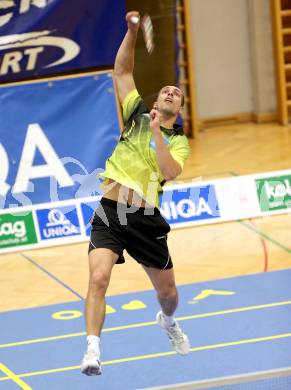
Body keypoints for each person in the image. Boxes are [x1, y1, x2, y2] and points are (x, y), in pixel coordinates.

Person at [81, 10, 191, 376]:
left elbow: (168, 171)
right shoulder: (135, 115)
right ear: (156, 101)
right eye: (166, 90)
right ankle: (92, 350)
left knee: (169, 295)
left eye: (176, 93)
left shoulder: (178, 142)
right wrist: (130, 31)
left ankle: (167, 321)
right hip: (111, 212)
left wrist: (158, 132)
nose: (171, 91)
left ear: (179, 108)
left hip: (145, 221)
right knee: (98, 279)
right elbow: (123, 72)